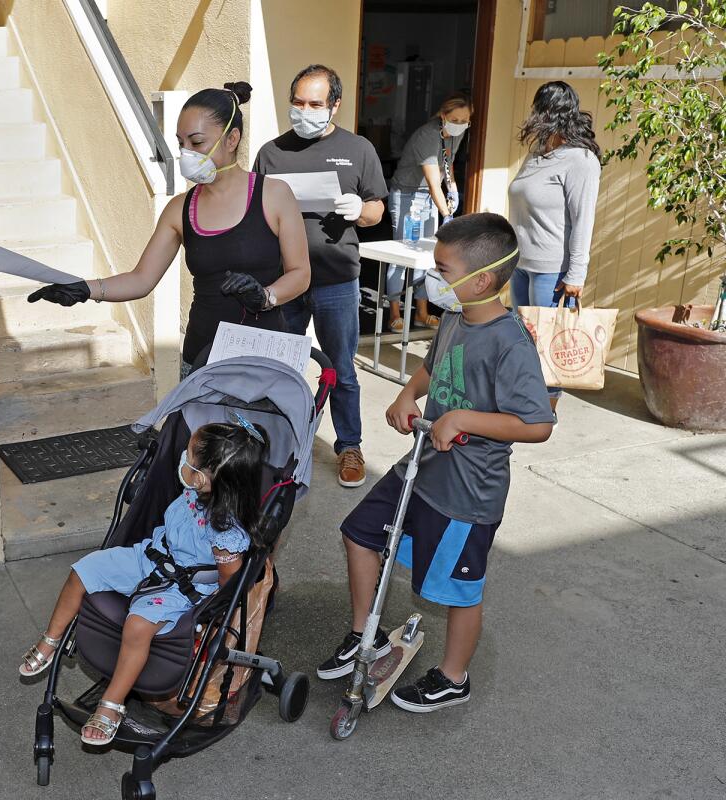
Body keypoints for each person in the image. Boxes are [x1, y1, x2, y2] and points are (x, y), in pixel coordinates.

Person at [317, 214, 553, 713]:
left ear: (482, 280)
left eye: (443, 269)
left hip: (468, 492)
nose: (434, 279)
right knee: (359, 534)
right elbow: (431, 366)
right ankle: (367, 635)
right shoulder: (452, 317)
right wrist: (407, 394)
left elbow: (537, 424)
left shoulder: (511, 343)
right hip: (422, 468)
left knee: (458, 590)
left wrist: (467, 417)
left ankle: (453, 677)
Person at [27, 82, 311, 377]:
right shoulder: (180, 208)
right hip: (202, 360)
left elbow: (300, 274)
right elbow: (140, 279)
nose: (186, 153)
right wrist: (84, 289)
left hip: (264, 361)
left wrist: (266, 296)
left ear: (232, 139)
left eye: (197, 142)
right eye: (180, 143)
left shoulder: (274, 195)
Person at [19, 419, 267, 744]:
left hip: (182, 587)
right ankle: (53, 641)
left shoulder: (224, 533)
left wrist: (206, 615)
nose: (183, 457)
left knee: (138, 624)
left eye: (188, 455)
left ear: (204, 478)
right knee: (83, 570)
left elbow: (230, 584)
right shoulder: (195, 491)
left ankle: (112, 704)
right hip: (148, 558)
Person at [253, 65, 387, 488]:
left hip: (336, 280)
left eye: (315, 104)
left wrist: (358, 209)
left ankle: (349, 445)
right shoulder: (271, 152)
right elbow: (254, 212)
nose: (304, 111)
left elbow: (377, 211)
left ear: (335, 105)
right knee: (282, 365)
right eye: (298, 103)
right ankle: (283, 442)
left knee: (342, 368)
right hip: (284, 280)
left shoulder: (359, 148)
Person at [508, 80, 602, 421]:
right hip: (521, 264)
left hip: (552, 269)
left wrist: (576, 274)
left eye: (541, 109)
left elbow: (583, 221)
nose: (535, 116)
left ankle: (545, 409)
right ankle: (526, 398)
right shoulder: (536, 155)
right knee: (524, 339)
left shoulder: (580, 160)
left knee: (548, 342)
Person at [386, 92, 473, 332]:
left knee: (426, 254)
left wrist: (453, 190)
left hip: (429, 195)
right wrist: (447, 215)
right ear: (443, 116)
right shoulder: (427, 135)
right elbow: (433, 180)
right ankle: (395, 312)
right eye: (455, 120)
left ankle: (421, 313)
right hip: (408, 194)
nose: (460, 125)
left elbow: (449, 165)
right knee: (402, 254)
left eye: (464, 121)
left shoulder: (458, 132)